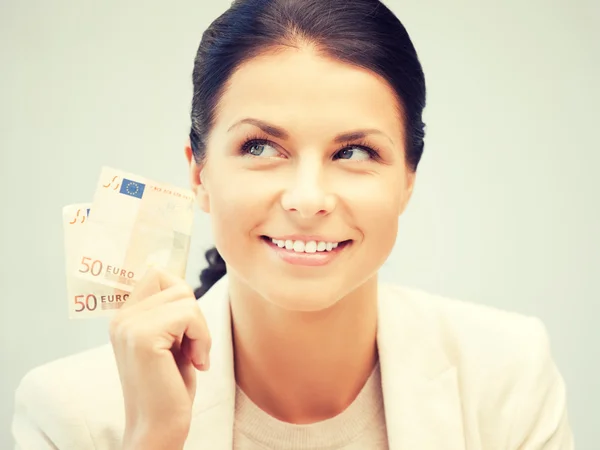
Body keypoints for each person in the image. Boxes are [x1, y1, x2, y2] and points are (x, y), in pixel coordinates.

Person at [12, 0, 574, 449]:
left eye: (354, 152)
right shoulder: (69, 415)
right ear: (200, 174)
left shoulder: (508, 376)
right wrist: (154, 441)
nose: (308, 199)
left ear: (408, 179)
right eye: (261, 146)